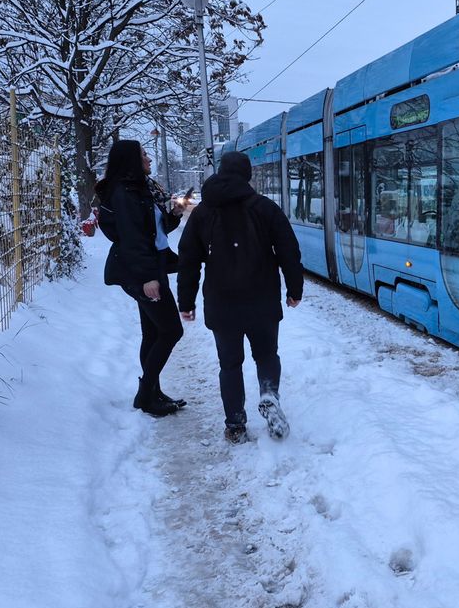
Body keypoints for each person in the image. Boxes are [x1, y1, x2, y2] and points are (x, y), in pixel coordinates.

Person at [177, 151, 303, 444]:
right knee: (267, 355)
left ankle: (235, 425)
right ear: (247, 175)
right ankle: (269, 393)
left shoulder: (203, 213)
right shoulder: (265, 208)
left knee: (229, 364)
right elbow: (289, 251)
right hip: (262, 299)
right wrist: (294, 290)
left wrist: (186, 302)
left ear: (221, 172)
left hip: (222, 303)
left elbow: (188, 260)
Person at [95, 140, 186, 418]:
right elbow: (134, 240)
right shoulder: (125, 193)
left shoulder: (141, 188)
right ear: (132, 160)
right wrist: (148, 278)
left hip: (151, 265)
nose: (148, 159)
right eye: (144, 155)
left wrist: (173, 215)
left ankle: (152, 392)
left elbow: (154, 230)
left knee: (154, 332)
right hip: (140, 270)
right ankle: (146, 394)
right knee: (171, 331)